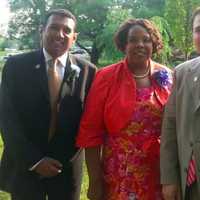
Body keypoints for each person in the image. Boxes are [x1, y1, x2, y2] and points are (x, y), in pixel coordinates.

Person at [0, 9, 96, 200]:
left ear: (74, 37)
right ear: (41, 30)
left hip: (66, 168)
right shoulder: (16, 66)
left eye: (67, 30)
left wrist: (61, 160)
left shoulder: (88, 72)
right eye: (53, 27)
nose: (60, 34)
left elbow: (88, 122)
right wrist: (34, 160)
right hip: (25, 164)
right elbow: (7, 117)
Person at [76, 18, 173, 200]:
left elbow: (175, 128)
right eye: (133, 40)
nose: (140, 45)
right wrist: (95, 181)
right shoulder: (106, 77)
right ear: (123, 44)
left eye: (146, 40)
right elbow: (91, 132)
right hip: (120, 172)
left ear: (154, 44)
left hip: (159, 171)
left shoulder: (167, 76)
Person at [160, 7, 200, 200]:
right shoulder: (182, 73)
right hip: (191, 184)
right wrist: (169, 179)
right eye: (199, 29)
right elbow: (170, 127)